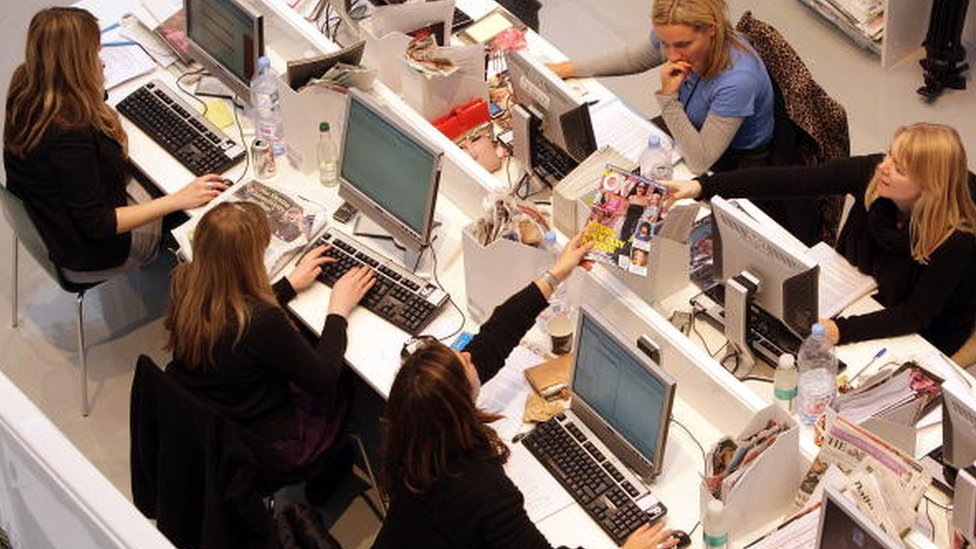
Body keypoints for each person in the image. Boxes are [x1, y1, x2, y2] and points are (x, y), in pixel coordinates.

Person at [373, 234, 680, 549]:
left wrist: (556, 274)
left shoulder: (411, 430)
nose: (469, 354)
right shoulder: (481, 488)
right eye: (465, 362)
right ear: (459, 403)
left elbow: (494, 337)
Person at [662, 123, 976, 355]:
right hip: (851, 290)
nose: (884, 167)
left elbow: (916, 315)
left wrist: (842, 330)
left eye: (900, 168)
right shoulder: (874, 176)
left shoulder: (954, 239)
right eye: (889, 155)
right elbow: (791, 181)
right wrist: (703, 187)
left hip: (916, 334)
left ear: (929, 185)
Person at [3, 7, 226, 283]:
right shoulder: (68, 134)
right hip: (95, 250)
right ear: (75, 64)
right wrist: (178, 200)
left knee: (163, 174)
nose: (102, 63)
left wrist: (91, 87)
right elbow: (98, 223)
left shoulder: (27, 82)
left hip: (55, 220)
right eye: (94, 55)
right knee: (204, 210)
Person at [165, 202, 376, 479]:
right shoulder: (261, 321)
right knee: (346, 379)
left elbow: (231, 309)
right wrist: (339, 310)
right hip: (270, 441)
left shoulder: (185, 283)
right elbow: (324, 380)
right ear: (249, 260)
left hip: (219, 413)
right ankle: (330, 468)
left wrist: (288, 285)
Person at [548, 0, 773, 175]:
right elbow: (633, 60)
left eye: (683, 44)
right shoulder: (675, 33)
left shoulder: (738, 81)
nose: (671, 55)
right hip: (688, 124)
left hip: (730, 159)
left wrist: (668, 98)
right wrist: (566, 69)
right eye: (665, 43)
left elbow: (700, 162)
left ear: (711, 29)